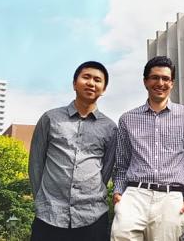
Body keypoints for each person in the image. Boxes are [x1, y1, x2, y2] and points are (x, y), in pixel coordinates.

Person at [28, 61, 117, 241]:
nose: (91, 83)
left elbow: (106, 170)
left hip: (93, 216)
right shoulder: (50, 118)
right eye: (86, 77)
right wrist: (41, 200)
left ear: (103, 89)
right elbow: (36, 163)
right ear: (74, 83)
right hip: (49, 214)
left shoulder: (110, 128)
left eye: (98, 80)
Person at [111, 56, 184, 241]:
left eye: (166, 79)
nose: (160, 83)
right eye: (155, 77)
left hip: (171, 196)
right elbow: (121, 163)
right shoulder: (127, 119)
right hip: (134, 194)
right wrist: (118, 193)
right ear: (145, 82)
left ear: (172, 83)